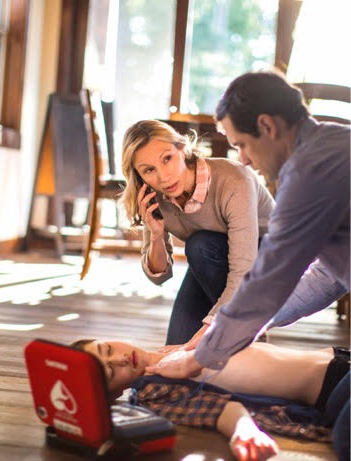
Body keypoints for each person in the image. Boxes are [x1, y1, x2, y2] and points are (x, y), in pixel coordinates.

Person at [144, 71, 350, 461]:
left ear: (267, 126)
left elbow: (269, 279)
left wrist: (200, 356)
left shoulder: (309, 170)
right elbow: (328, 276)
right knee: (337, 401)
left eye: (241, 144)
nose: (241, 157)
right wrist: (225, 333)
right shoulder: (328, 147)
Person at [120, 119, 275, 345]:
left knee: (200, 245)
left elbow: (243, 270)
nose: (163, 177)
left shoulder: (234, 180)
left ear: (182, 149)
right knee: (176, 348)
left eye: (167, 159)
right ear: (138, 175)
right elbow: (160, 276)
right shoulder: (155, 197)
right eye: (149, 170)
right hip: (211, 262)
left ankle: (251, 337)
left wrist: (211, 326)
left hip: (267, 262)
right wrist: (155, 235)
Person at [72, 338, 349, 461]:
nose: (120, 358)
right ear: (113, 394)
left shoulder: (173, 349)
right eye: (111, 371)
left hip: (337, 357)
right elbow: (219, 411)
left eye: (107, 348)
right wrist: (244, 430)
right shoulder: (151, 392)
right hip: (333, 387)